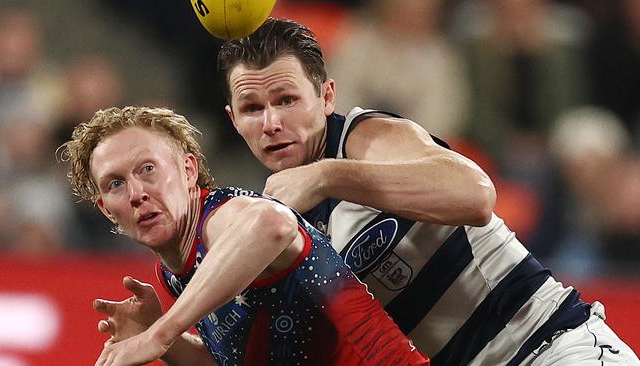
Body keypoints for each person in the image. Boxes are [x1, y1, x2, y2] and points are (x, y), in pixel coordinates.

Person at [216, 18, 640, 365]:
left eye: (287, 100)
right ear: (234, 119)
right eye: (253, 108)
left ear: (326, 97)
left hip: (553, 346)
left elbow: (476, 196)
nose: (271, 122)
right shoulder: (284, 220)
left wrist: (328, 175)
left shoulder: (366, 138)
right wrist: (166, 332)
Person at [59, 106, 429, 366]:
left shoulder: (221, 217)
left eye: (149, 169)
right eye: (116, 184)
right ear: (107, 209)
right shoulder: (173, 270)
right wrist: (167, 344)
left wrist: (161, 333)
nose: (137, 192)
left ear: (189, 171)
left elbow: (273, 223)